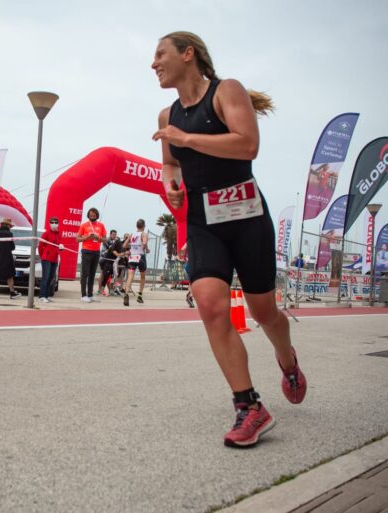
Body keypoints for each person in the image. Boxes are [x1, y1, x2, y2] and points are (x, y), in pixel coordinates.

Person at [151, 31, 306, 447]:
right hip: (203, 221)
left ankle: (288, 361)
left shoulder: (226, 92)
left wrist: (187, 139)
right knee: (210, 305)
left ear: (188, 54)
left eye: (161, 54)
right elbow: (170, 164)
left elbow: (247, 145)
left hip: (247, 217)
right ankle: (249, 406)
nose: (154, 63)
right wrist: (172, 185)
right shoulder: (167, 116)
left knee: (263, 312)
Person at [76, 207, 107, 302]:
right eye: (90, 215)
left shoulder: (101, 225)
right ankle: (83, 295)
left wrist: (98, 238)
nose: (92, 217)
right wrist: (87, 237)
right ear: (88, 216)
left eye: (94, 215)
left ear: (97, 216)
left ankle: (90, 294)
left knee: (92, 274)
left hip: (96, 252)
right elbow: (77, 239)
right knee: (85, 274)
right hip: (86, 251)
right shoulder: (84, 225)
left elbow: (105, 239)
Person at [123, 219, 150, 306]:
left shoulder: (132, 234)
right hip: (140, 256)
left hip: (132, 256)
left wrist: (132, 246)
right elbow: (144, 243)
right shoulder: (144, 234)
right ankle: (139, 296)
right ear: (144, 226)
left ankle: (126, 294)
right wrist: (146, 249)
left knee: (130, 276)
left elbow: (124, 245)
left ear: (136, 226)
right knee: (142, 277)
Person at [37, 216, 64, 303]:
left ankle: (46, 295)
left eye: (56, 222)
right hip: (46, 259)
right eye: (52, 222)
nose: (54, 224)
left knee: (51, 277)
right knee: (46, 277)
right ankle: (42, 296)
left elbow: (58, 246)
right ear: (49, 224)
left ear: (58, 224)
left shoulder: (59, 234)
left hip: (54, 259)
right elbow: (40, 246)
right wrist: (43, 256)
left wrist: (61, 248)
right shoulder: (46, 234)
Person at [98, 230, 119, 296]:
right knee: (103, 274)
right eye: (113, 234)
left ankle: (109, 290)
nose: (114, 236)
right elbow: (111, 249)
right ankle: (100, 290)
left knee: (108, 275)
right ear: (110, 234)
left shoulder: (112, 241)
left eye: (115, 234)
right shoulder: (107, 240)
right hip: (104, 259)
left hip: (109, 260)